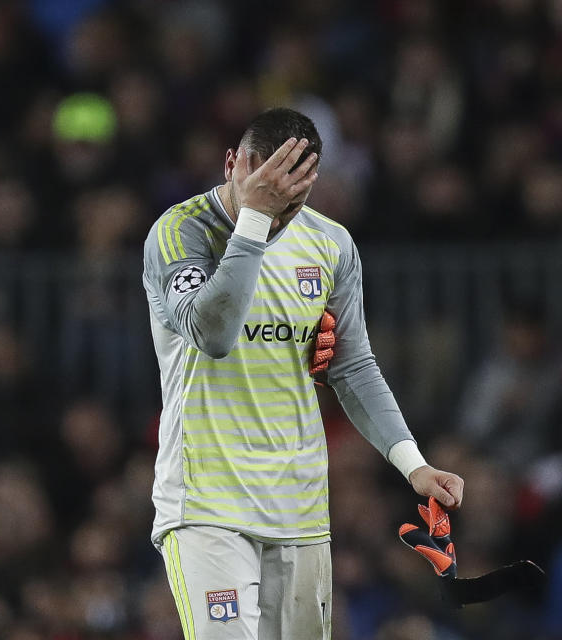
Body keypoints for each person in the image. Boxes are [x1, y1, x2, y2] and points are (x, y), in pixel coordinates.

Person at [141, 108, 464, 640]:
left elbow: (353, 365)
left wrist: (413, 465)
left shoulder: (331, 245)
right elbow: (213, 335)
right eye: (269, 191)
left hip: (299, 502)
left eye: (294, 200)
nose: (281, 214)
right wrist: (253, 220)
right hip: (205, 502)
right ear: (232, 164)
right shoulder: (179, 232)